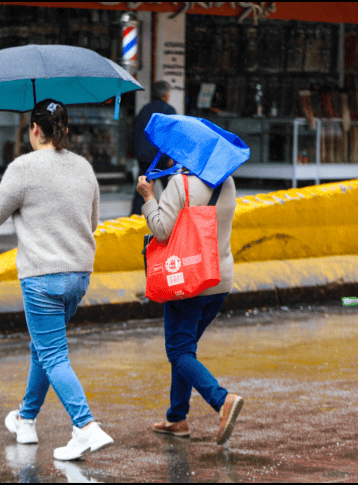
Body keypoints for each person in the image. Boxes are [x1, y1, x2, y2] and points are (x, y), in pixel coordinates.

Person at [0, 99, 113, 461]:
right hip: (79, 276)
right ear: (65, 130)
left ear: (34, 130)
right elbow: (92, 223)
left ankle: (85, 426)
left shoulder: (22, 168)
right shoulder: (84, 168)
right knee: (43, 349)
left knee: (53, 353)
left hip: (43, 276)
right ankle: (26, 420)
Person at [136, 165, 244, 446]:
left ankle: (222, 400)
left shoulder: (181, 184)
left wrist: (148, 197)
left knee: (179, 350)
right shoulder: (227, 181)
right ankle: (176, 418)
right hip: (218, 280)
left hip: (187, 281)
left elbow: (161, 231)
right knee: (185, 351)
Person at [130, 80, 177, 215]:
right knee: (172, 189)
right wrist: (170, 157)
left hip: (144, 156)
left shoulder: (144, 110)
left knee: (142, 189)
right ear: (166, 95)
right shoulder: (168, 110)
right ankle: (173, 216)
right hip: (160, 157)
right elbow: (171, 137)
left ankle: (135, 217)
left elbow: (135, 133)